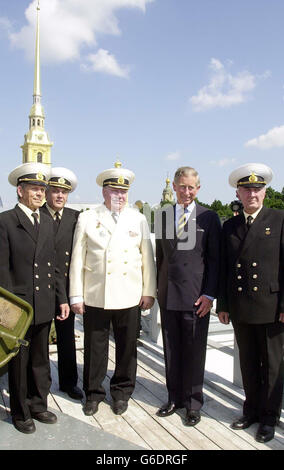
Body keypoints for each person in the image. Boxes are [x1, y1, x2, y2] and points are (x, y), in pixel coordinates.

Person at [69, 161, 156, 416]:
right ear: (104, 192)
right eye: (115, 191)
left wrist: (148, 291)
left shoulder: (137, 219)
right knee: (95, 348)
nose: (120, 196)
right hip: (97, 294)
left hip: (129, 295)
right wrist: (76, 294)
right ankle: (93, 393)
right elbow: (77, 258)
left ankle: (121, 392)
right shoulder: (88, 217)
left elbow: (147, 258)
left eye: (124, 191)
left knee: (127, 348)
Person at [217, 163, 284, 444]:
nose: (252, 194)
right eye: (247, 189)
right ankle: (252, 410)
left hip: (271, 305)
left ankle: (269, 418)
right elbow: (224, 267)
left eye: (257, 189)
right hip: (242, 305)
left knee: (271, 365)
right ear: (238, 192)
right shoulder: (230, 224)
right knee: (247, 362)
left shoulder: (279, 219)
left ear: (265, 192)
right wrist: (223, 304)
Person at [0, 163, 69, 434]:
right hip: (17, 307)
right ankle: (20, 411)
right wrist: (5, 310)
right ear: (20, 191)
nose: (40, 194)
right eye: (34, 189)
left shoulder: (47, 222)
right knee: (19, 361)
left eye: (43, 189)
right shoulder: (6, 222)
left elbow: (53, 267)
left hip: (43, 304)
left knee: (40, 358)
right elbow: (2, 270)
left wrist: (61, 298)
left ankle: (39, 404)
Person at [155, 166, 221, 426]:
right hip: (168, 295)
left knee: (194, 352)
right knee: (171, 351)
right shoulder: (162, 216)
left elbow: (215, 261)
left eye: (191, 187)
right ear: (174, 186)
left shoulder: (209, 218)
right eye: (182, 186)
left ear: (198, 188)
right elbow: (159, 258)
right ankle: (174, 398)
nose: (186, 192)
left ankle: (193, 403)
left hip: (196, 299)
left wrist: (209, 295)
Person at [40, 167, 83, 400]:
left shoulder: (75, 218)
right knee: (38, 341)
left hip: (66, 290)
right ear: (47, 192)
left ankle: (69, 382)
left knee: (67, 339)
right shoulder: (37, 215)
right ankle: (41, 384)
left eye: (63, 193)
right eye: (55, 191)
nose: (59, 196)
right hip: (42, 289)